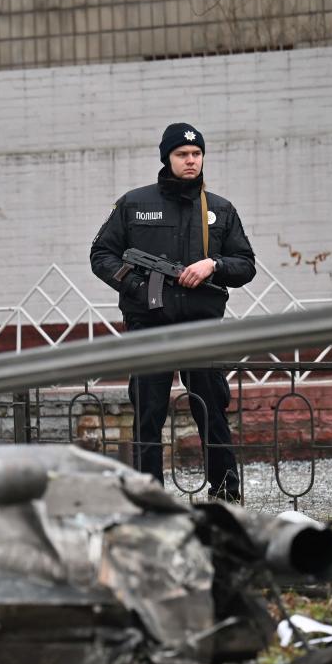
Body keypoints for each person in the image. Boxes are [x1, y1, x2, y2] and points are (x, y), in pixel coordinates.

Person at [90, 123, 256, 502]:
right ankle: (150, 499)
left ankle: (226, 495)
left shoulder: (219, 210)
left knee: (212, 413)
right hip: (150, 328)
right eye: (182, 154)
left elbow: (245, 265)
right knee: (148, 417)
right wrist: (138, 287)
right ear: (167, 158)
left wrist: (213, 265)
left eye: (197, 154)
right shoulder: (134, 204)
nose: (191, 161)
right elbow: (101, 255)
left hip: (201, 329)